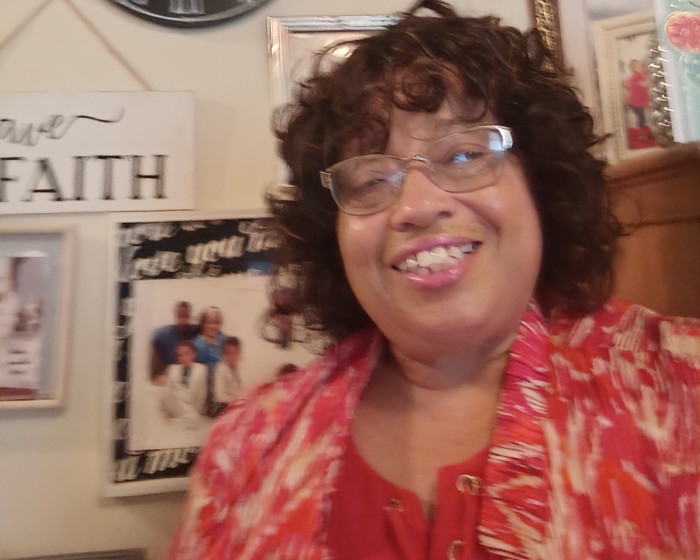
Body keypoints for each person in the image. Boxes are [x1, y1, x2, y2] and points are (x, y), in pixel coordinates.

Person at [167, 2, 700, 559]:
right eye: (371, 178)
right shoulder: (248, 444)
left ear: (541, 188)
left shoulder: (680, 390)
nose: (417, 207)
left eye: (465, 154)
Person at [160, 340, 208, 427]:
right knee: (168, 392)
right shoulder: (172, 369)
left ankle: (176, 421)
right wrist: (168, 410)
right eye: (180, 355)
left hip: (190, 405)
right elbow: (167, 393)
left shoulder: (201, 369)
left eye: (187, 354)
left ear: (194, 355)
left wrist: (195, 411)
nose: (184, 358)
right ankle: (177, 419)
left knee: (194, 419)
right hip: (175, 403)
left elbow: (201, 395)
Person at [150, 301, 199, 381]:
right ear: (176, 315)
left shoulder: (196, 332)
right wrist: (161, 376)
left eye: (186, 315)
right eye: (181, 315)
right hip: (171, 376)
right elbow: (156, 373)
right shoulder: (163, 336)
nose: (183, 319)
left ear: (190, 315)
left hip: (191, 376)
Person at [211, 336, 243, 413]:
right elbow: (219, 395)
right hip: (223, 406)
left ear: (239, 353)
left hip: (237, 405)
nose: (232, 357)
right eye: (228, 354)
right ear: (223, 355)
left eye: (234, 353)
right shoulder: (220, 369)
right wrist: (236, 400)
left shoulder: (241, 367)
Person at [192, 306, 226, 372]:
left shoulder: (222, 337)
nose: (214, 326)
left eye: (217, 322)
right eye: (210, 323)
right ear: (203, 324)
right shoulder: (199, 344)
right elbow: (200, 371)